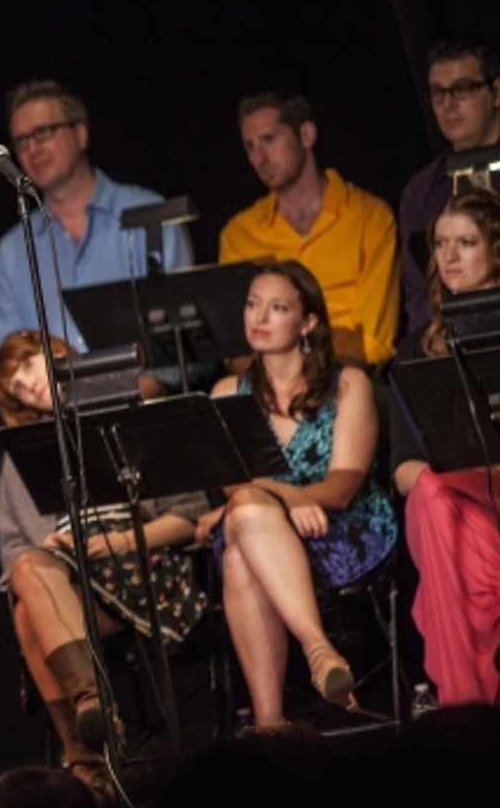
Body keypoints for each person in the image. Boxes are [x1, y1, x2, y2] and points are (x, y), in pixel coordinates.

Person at [0, 329, 207, 798]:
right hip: (67, 579)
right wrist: (56, 550)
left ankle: (85, 760)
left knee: (29, 610)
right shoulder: (26, 451)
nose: (30, 386)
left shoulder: (132, 416)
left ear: (60, 354)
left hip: (144, 568)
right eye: (19, 387)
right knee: (27, 585)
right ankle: (93, 706)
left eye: (29, 367)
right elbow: (14, 552)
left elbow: (188, 518)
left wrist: (120, 542)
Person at [196, 261, 397, 730]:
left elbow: (343, 488)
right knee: (245, 523)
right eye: (252, 304)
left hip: (341, 528)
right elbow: (235, 484)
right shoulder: (228, 391)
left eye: (278, 307)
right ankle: (318, 649)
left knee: (241, 538)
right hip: (265, 527)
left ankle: (270, 726)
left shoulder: (349, 384)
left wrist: (263, 498)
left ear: (307, 323)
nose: (259, 318)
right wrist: (285, 496)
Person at [0, 79, 194, 360]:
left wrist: (144, 388)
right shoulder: (10, 255)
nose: (32, 149)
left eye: (43, 132)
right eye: (21, 141)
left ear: (80, 133)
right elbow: (6, 364)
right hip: (55, 404)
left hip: (152, 399)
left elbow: (190, 335)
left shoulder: (150, 211)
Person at [391, 187, 500, 707]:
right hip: (456, 509)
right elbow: (403, 467)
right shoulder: (417, 349)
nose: (449, 257)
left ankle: (463, 705)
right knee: (430, 493)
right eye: (440, 244)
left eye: (466, 243)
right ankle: (463, 702)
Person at [220, 92, 400, 368]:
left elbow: (374, 339)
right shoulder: (238, 235)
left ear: (306, 135)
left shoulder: (369, 216)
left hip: (349, 376)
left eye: (269, 140)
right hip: (271, 384)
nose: (259, 158)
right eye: (249, 146)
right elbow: (236, 348)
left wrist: (309, 376)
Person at [398, 38, 500, 335]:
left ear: (495, 92)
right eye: (437, 93)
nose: (447, 104)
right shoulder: (422, 191)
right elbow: (418, 293)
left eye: (462, 89)